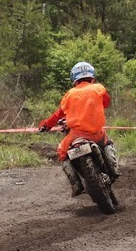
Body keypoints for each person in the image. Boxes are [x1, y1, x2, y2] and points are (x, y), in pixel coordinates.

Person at [39, 61, 118, 195]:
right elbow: (106, 103)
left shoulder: (69, 94)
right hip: (97, 133)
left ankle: (76, 184)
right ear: (92, 77)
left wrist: (45, 125)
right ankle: (113, 168)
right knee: (107, 143)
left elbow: (58, 114)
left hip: (77, 135)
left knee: (61, 152)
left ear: (74, 79)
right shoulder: (99, 88)